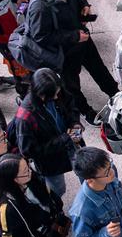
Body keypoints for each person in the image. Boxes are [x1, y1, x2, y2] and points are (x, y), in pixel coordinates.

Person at [26, 0, 120, 122]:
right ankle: (85, 110)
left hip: (82, 38)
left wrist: (84, 4)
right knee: (71, 85)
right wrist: (73, 36)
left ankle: (115, 93)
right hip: (65, 51)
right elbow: (41, 37)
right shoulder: (39, 7)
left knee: (98, 68)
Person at [0, 153, 75, 237]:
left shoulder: (35, 179)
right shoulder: (7, 208)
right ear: (13, 179)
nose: (30, 172)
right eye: (25, 172)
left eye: (28, 167)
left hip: (54, 234)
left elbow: (54, 200)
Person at [10, 68, 82, 197]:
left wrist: (75, 124)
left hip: (72, 143)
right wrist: (64, 139)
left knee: (87, 172)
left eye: (57, 92)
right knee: (58, 190)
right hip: (50, 161)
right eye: (52, 95)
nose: (56, 97)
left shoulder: (56, 89)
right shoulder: (26, 117)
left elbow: (71, 107)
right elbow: (28, 150)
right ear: (41, 93)